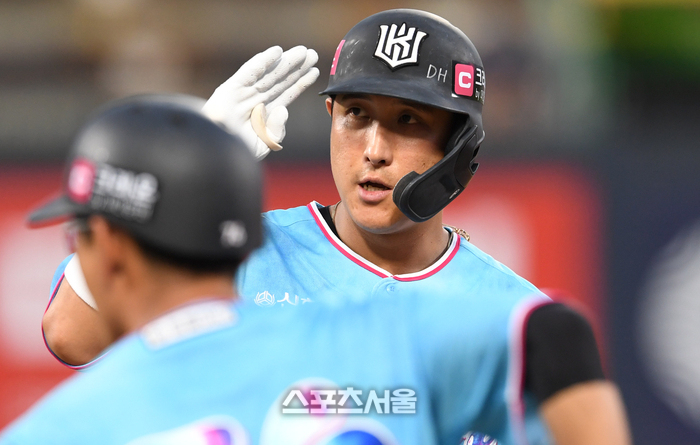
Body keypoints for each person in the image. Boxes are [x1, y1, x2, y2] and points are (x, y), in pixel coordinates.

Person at [1, 95, 631, 445]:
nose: (375, 151)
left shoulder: (62, 428)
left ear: (106, 248)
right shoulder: (363, 336)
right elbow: (556, 337)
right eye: (356, 115)